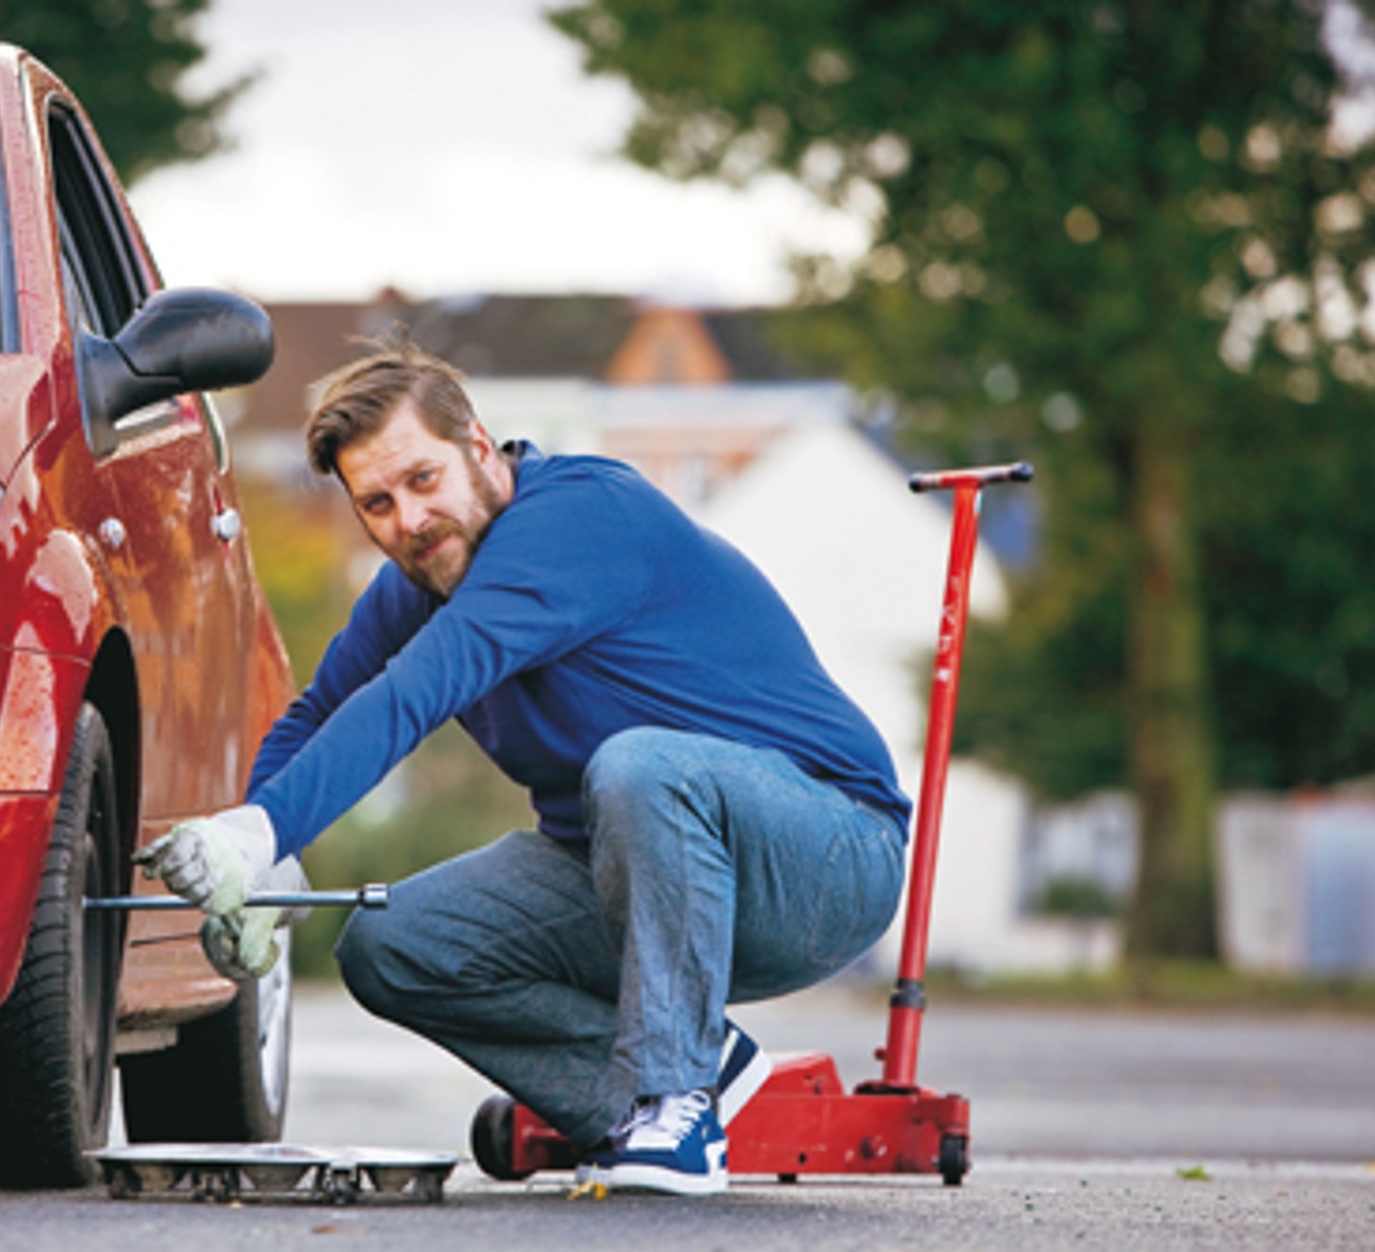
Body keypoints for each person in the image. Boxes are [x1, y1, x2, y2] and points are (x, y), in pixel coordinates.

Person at [139, 334, 909, 1195]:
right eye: (377, 504)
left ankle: (674, 1097)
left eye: (423, 480)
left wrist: (255, 832)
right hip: (631, 879)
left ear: (478, 446)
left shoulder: (579, 518)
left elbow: (420, 690)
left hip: (824, 859)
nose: (409, 521)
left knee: (641, 767)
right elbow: (319, 711)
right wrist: (273, 865)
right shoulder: (416, 582)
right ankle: (661, 1090)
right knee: (393, 944)